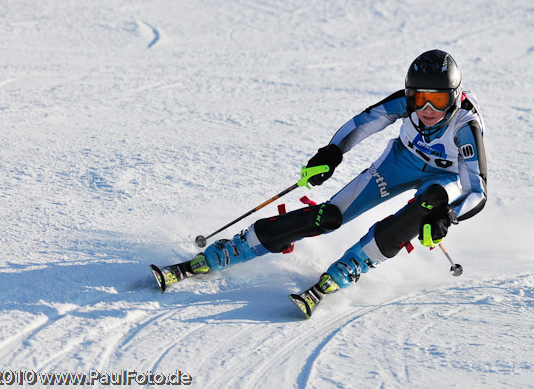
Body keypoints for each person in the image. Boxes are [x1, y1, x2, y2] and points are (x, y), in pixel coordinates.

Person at [189, 49, 487, 305]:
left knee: (431, 203)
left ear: (456, 97)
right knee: (329, 216)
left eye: (438, 100)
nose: (427, 109)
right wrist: (332, 153)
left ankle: (356, 262)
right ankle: (241, 246)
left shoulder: (465, 126)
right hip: (400, 161)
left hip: (444, 175)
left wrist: (447, 215)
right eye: (420, 98)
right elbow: (364, 122)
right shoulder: (405, 104)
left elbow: (477, 191)